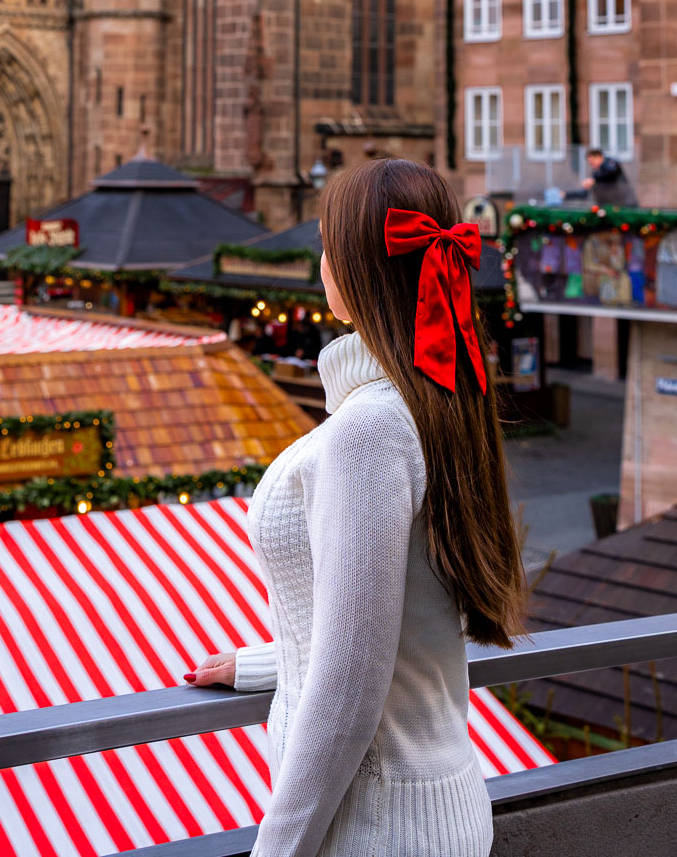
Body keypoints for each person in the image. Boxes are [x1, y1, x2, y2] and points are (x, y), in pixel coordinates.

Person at [184, 158, 525, 857]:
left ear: (354, 267)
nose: (320, 263)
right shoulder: (437, 402)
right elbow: (400, 621)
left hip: (377, 827)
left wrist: (276, 853)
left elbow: (350, 688)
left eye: (326, 245)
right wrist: (277, 660)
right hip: (435, 808)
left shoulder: (368, 431)